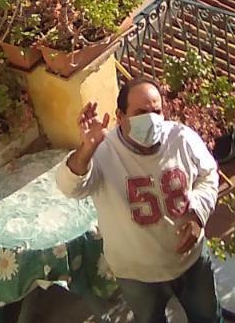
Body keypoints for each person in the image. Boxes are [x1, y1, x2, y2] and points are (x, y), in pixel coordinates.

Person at [55, 76, 221, 323]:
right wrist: (87, 147)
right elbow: (70, 187)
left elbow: (208, 175)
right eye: (141, 112)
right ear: (120, 116)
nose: (152, 119)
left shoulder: (182, 139)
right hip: (137, 276)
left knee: (207, 318)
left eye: (157, 111)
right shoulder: (102, 152)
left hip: (191, 263)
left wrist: (198, 214)